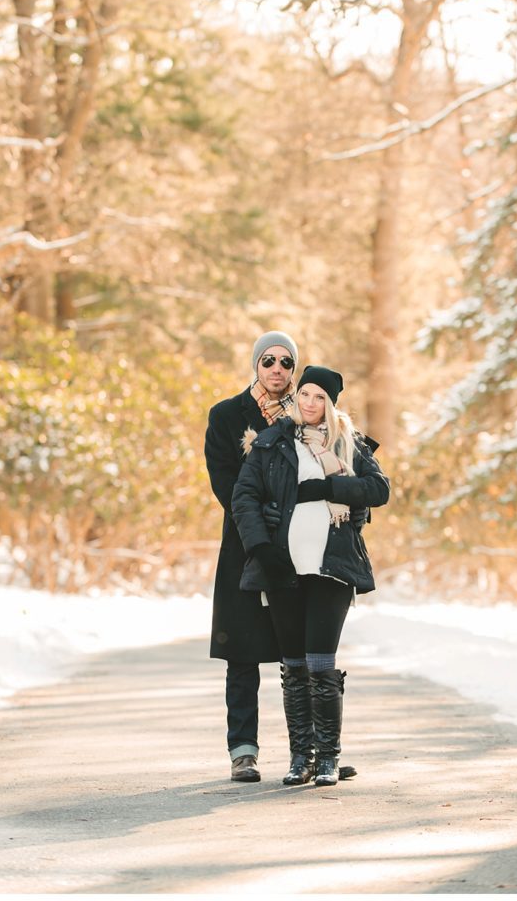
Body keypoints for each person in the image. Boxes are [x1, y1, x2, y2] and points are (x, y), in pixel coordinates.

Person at [204, 331, 354, 783]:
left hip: (305, 550)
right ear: (256, 364)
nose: (277, 369)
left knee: (309, 656)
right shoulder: (227, 416)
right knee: (244, 655)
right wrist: (264, 521)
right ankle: (243, 751)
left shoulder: (311, 412)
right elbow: (227, 484)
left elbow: (352, 464)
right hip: (249, 547)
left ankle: (316, 752)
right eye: (267, 360)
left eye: (286, 362)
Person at [233, 363, 389, 788]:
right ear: (297, 397)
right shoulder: (271, 443)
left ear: (331, 403)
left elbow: (379, 490)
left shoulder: (349, 444)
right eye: (305, 394)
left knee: (322, 663)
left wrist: (329, 489)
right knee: (294, 665)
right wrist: (262, 549)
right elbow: (244, 498)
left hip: (332, 567)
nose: (310, 403)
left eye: (320, 397)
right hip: (283, 568)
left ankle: (328, 759)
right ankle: (300, 757)